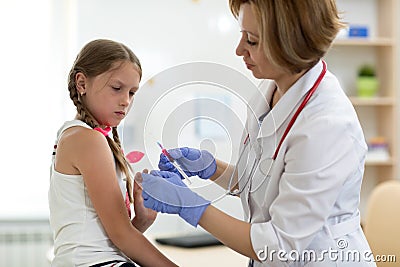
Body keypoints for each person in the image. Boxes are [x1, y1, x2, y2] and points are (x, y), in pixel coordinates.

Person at [137, 1, 376, 266]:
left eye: (251, 41)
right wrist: (211, 167)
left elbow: (277, 246)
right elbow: (266, 182)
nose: (239, 50)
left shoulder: (326, 126)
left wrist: (188, 205)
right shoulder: (271, 89)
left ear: (291, 43)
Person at [48, 39, 177, 267]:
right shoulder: (87, 139)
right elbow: (120, 236)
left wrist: (141, 221)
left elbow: (106, 239)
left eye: (132, 92)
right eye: (117, 88)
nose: (125, 101)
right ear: (81, 83)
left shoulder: (80, 136)